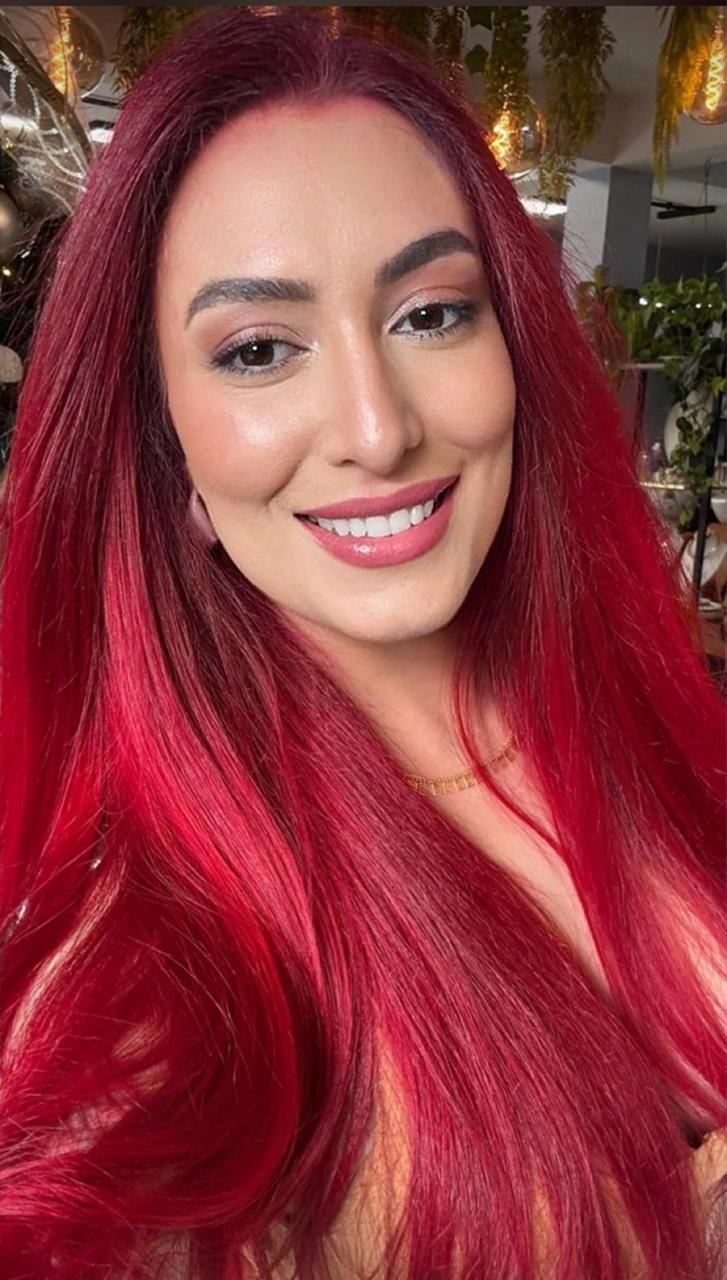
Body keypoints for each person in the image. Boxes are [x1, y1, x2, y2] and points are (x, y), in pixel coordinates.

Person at [0, 8, 724, 1278]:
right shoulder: (152, 985)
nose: (378, 429)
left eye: (431, 315)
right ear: (166, 453)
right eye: (258, 350)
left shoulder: (649, 727)